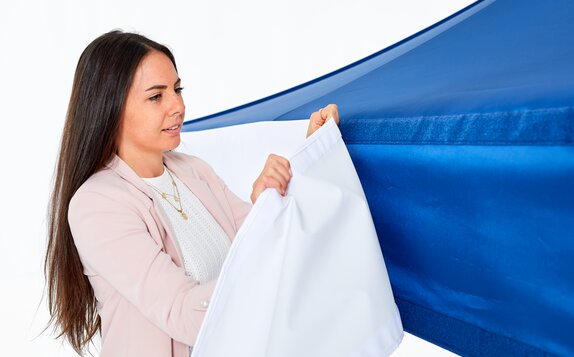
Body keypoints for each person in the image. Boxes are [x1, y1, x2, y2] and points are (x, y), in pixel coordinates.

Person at [45, 30, 339, 357]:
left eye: (177, 89)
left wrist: (309, 159)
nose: (178, 105)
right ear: (110, 107)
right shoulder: (97, 204)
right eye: (156, 96)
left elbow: (272, 246)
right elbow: (183, 313)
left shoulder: (193, 171)